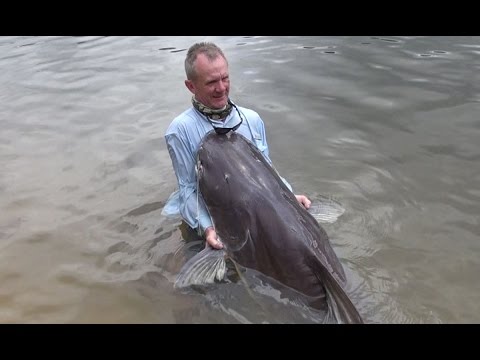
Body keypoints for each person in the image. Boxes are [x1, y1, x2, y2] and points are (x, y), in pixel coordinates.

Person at [164, 42, 311, 250]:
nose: (221, 88)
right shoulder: (179, 131)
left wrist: (288, 198)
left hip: (253, 214)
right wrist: (207, 228)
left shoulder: (252, 119)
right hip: (209, 216)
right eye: (212, 82)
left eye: (225, 78)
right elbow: (188, 188)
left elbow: (267, 172)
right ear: (191, 86)